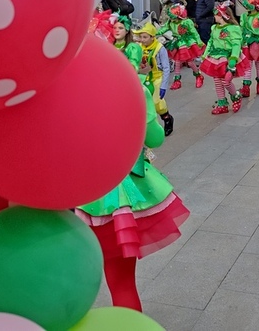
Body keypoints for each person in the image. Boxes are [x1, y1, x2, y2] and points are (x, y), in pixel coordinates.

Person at [76, 18, 189, 311]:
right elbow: (155, 138)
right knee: (122, 283)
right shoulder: (133, 85)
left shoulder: (66, 90)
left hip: (71, 192)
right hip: (119, 192)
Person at [199, 2, 250, 114]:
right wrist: (205, 55)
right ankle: (222, 103)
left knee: (226, 81)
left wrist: (233, 59)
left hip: (228, 58)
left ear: (222, 15)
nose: (214, 17)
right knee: (217, 81)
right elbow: (210, 42)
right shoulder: (214, 28)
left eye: (216, 15)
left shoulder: (233, 28)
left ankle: (236, 96)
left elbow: (236, 44)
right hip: (215, 58)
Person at [133, 20, 175, 136]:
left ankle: (167, 118)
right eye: (141, 37)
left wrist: (163, 86)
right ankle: (150, 127)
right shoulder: (139, 47)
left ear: (152, 37)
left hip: (157, 77)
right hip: (144, 77)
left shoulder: (159, 48)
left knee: (157, 103)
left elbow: (166, 68)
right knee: (144, 103)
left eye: (145, 37)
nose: (142, 39)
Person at [158, 2, 205, 91]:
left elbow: (194, 32)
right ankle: (177, 81)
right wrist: (154, 32)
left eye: (173, 17)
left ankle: (198, 75)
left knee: (190, 62)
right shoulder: (170, 22)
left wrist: (199, 42)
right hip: (177, 43)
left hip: (186, 44)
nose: (172, 19)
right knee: (177, 62)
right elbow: (163, 29)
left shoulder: (187, 22)